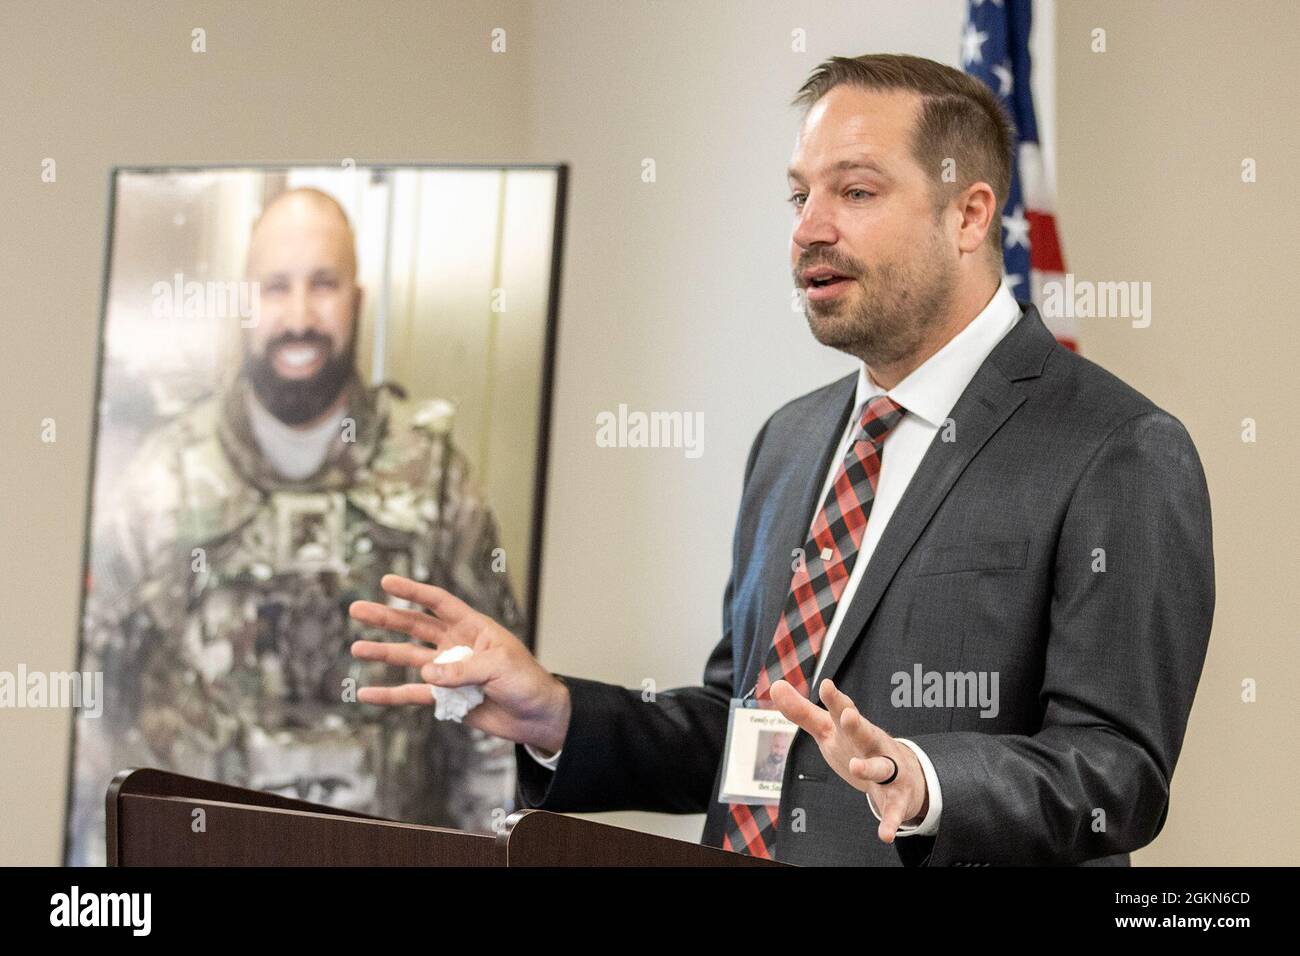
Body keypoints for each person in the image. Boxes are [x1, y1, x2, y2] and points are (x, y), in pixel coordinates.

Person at [350, 54, 1214, 866]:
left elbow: (1117, 773)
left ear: (970, 215)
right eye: (799, 196)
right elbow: (749, 740)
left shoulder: (1117, 448)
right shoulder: (792, 440)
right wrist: (559, 714)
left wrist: (923, 781)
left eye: (857, 191)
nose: (809, 228)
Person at [68, 187, 522, 865]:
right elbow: (97, 714)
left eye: (324, 284)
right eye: (276, 287)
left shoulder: (435, 481)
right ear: (246, 304)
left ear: (358, 302)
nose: (300, 315)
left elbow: (490, 725)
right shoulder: (160, 483)